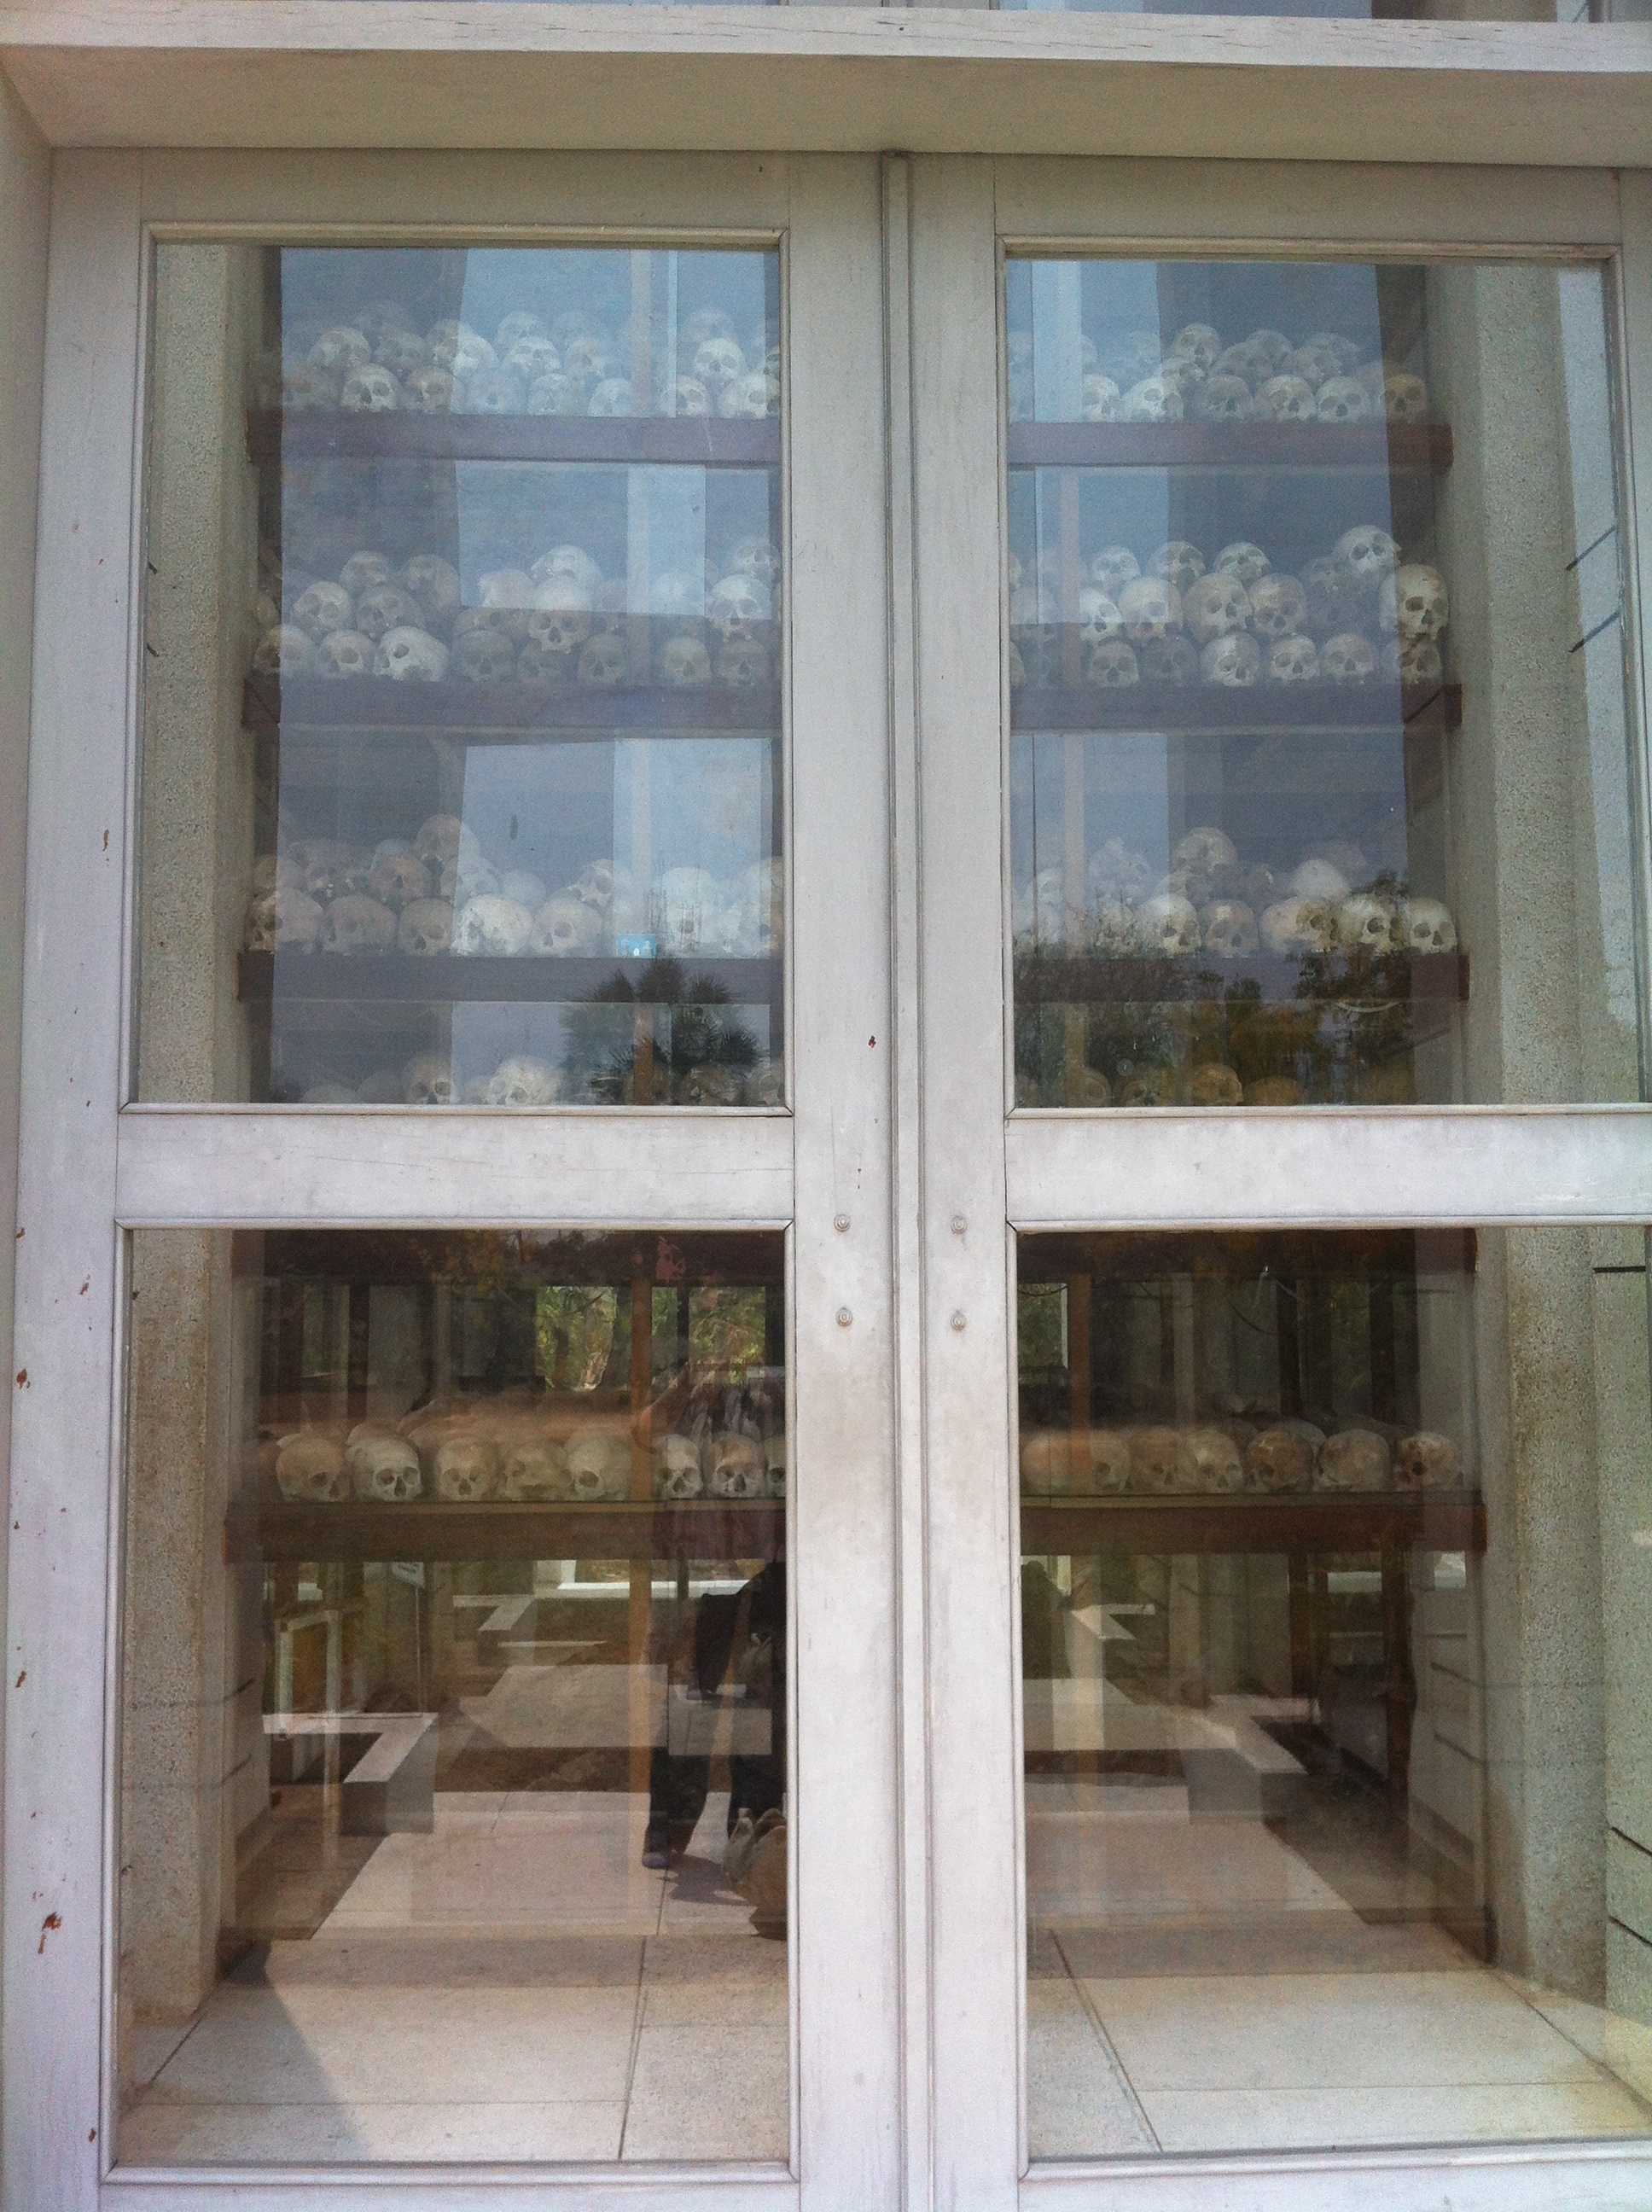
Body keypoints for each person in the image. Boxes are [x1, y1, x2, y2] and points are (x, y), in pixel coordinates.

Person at [643, 1555, 785, 1868]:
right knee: (689, 1726)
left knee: (757, 1738)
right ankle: (671, 1829)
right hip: (714, 1579)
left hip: (757, 1598)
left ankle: (751, 1840)